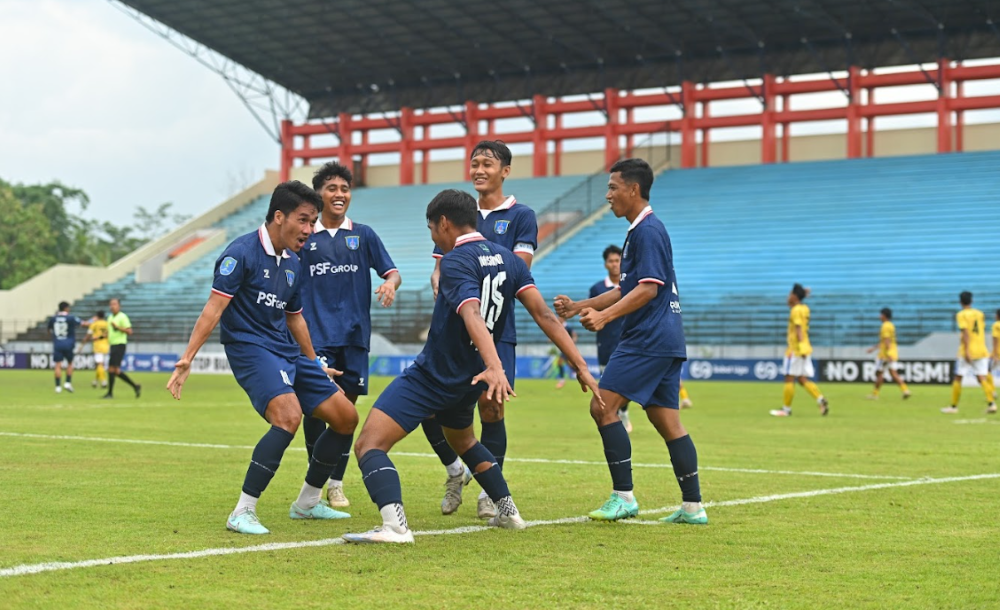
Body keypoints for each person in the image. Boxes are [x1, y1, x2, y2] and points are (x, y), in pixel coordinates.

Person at [342, 189, 600, 544]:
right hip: (471, 377)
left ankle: (395, 526)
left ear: (444, 223)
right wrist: (581, 365)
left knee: (369, 445)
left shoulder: (455, 261)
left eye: (432, 228)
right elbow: (543, 314)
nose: (433, 236)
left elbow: (471, 312)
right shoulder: (508, 258)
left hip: (437, 373)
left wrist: (495, 366)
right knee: (462, 438)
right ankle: (509, 512)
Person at [166, 181, 359, 535]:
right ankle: (242, 511)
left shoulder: (294, 263)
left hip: (285, 349)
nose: (309, 230)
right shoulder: (240, 253)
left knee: (346, 416)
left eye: (313, 221)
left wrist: (313, 361)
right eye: (303, 220)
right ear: (279, 216)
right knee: (288, 415)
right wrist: (187, 358)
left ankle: (307, 503)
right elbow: (214, 308)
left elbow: (294, 316)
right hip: (250, 349)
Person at [554, 158, 706, 525]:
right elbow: (627, 287)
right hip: (666, 338)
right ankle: (693, 507)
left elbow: (649, 289)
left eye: (613, 188)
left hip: (647, 338)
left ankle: (623, 497)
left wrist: (606, 317)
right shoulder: (639, 230)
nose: (608, 196)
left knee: (602, 407)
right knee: (667, 421)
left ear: (633, 189)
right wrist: (580, 306)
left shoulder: (647, 231)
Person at [425, 140, 538, 518]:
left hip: (497, 327)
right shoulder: (457, 211)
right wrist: (440, 279)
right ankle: (454, 470)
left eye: (487, 164)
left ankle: (490, 494)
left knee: (492, 408)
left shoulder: (521, 215)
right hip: (453, 327)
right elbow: (440, 267)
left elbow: (518, 268)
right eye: (474, 164)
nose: (478, 170)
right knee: (431, 404)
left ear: (505, 171)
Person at [299, 161, 401, 509]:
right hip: (316, 338)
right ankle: (318, 479)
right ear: (319, 194)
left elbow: (392, 272)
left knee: (347, 415)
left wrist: (389, 283)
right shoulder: (305, 237)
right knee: (316, 412)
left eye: (344, 189)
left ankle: (335, 483)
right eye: (332, 188)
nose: (339, 194)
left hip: (355, 338)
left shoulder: (364, 235)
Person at [769, 284, 829, 417]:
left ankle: (786, 409)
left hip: (795, 349)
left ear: (794, 296)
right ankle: (820, 399)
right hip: (805, 347)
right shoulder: (804, 308)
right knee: (802, 379)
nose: (788, 296)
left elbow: (798, 329)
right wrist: (802, 294)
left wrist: (800, 346)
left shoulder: (795, 310)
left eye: (790, 293)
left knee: (789, 378)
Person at [941, 292, 997, 414]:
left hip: (968, 350)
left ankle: (954, 407)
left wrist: (966, 350)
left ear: (960, 302)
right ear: (971, 301)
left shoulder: (961, 315)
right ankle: (992, 403)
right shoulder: (980, 314)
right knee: (982, 377)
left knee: (958, 376)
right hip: (981, 349)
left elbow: (966, 332)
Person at [865, 308, 911, 400]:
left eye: (880, 314)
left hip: (884, 355)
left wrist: (888, 354)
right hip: (893, 352)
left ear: (884, 316)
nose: (879, 316)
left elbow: (886, 341)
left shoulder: (885, 326)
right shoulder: (891, 325)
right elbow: (884, 342)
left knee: (879, 373)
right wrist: (873, 349)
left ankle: (875, 394)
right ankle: (905, 390)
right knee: (893, 373)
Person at [104, 298, 141, 399]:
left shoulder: (122, 317)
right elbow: (109, 331)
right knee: (115, 371)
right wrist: (103, 336)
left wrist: (118, 328)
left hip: (120, 345)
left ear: (119, 306)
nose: (112, 306)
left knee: (112, 368)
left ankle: (110, 393)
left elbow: (129, 331)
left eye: (114, 304)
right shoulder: (110, 317)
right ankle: (135, 386)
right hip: (113, 345)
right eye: (111, 304)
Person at [47, 301, 82, 393]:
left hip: (58, 344)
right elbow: (81, 323)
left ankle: (58, 387)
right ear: (66, 308)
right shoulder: (71, 317)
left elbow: (49, 329)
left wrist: (55, 338)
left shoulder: (53, 318)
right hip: (68, 344)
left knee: (58, 365)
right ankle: (67, 382)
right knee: (70, 363)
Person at [79, 311, 110, 389]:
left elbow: (88, 335)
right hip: (106, 346)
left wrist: (83, 343)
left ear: (97, 316)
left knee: (99, 365)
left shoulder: (94, 324)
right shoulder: (107, 324)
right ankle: (96, 381)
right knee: (101, 365)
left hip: (98, 346)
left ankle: (103, 381)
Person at [553, 321, 578, 389]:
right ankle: (581, 374)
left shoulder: (567, 327)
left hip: (567, 348)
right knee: (569, 364)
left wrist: (572, 343)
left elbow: (574, 335)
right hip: (564, 348)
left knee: (560, 362)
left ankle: (562, 380)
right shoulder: (561, 327)